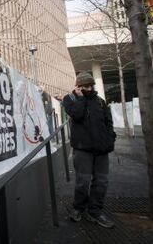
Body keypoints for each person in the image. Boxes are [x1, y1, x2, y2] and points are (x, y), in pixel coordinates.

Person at [62, 72, 116, 228]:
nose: (90, 88)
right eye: (86, 86)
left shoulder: (100, 102)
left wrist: (110, 139)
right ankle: (78, 208)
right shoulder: (69, 100)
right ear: (78, 87)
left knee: (101, 182)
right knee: (82, 182)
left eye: (91, 85)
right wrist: (80, 98)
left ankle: (95, 211)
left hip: (101, 149)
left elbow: (108, 122)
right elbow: (77, 115)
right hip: (82, 149)